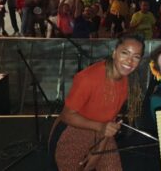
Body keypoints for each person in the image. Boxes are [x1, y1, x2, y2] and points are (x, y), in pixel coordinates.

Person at [49, 34, 145, 170]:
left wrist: (99, 152)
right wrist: (101, 127)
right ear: (114, 53)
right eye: (125, 53)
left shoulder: (127, 81)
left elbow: (109, 124)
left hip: (102, 134)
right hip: (72, 133)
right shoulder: (88, 78)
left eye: (136, 57)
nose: (129, 61)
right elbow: (67, 115)